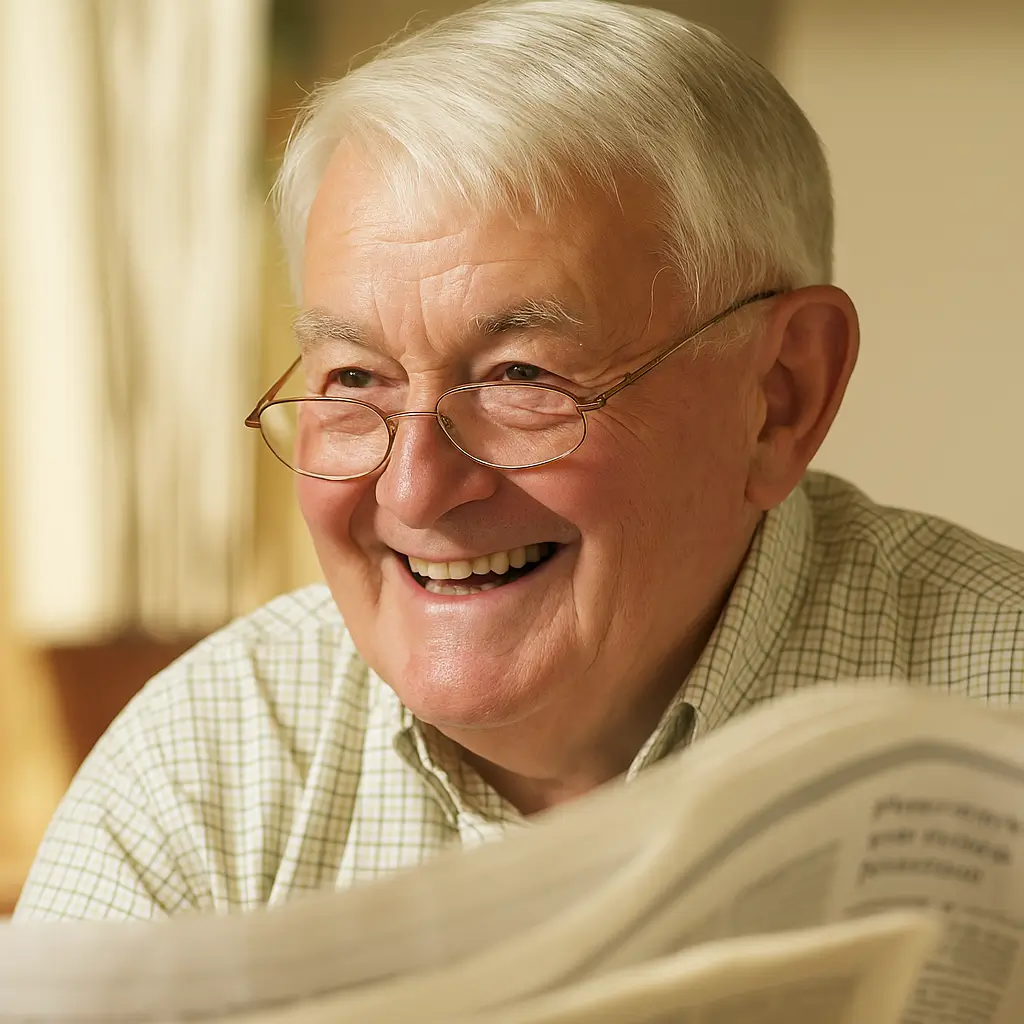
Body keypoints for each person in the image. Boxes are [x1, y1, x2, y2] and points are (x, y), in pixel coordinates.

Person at [15, 0, 1024, 922]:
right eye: (356, 379)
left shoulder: (1000, 704)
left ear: (780, 397)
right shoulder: (199, 768)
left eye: (519, 375)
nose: (414, 487)